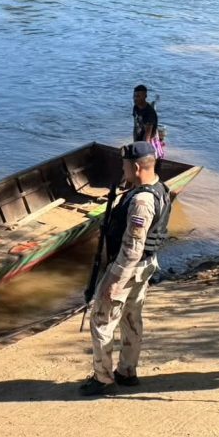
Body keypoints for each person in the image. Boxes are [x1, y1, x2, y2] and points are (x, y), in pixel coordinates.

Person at [82, 141, 173, 396]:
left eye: (125, 166)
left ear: (136, 167)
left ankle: (103, 378)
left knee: (101, 320)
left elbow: (132, 247)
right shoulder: (161, 189)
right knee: (131, 317)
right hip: (145, 266)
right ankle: (127, 371)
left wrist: (113, 280)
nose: (123, 170)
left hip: (128, 268)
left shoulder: (142, 201)